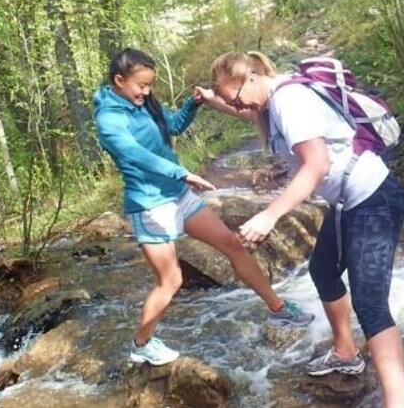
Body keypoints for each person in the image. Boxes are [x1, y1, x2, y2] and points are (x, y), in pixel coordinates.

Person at [208, 51, 404, 408]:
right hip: (349, 201)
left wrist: (270, 215)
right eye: (228, 100)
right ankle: (346, 352)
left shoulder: (290, 101)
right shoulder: (271, 100)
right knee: (323, 270)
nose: (235, 104)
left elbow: (316, 165)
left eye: (233, 96)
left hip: (373, 198)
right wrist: (213, 101)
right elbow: (247, 109)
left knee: (371, 304)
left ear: (251, 77)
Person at [93, 48, 313, 367]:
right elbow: (133, 154)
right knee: (171, 281)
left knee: (233, 245)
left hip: (179, 196)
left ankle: (279, 309)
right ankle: (142, 344)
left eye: (150, 85)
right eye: (141, 85)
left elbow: (174, 126)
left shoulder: (145, 104)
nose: (147, 91)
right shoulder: (109, 118)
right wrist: (181, 172)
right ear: (119, 80)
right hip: (150, 206)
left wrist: (193, 104)